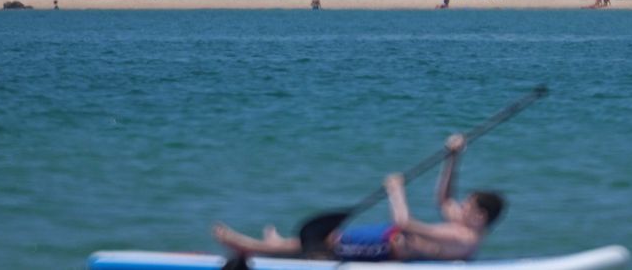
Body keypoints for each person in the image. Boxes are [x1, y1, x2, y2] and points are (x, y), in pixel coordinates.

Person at [214, 134, 503, 262]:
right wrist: (453, 158)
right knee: (331, 238)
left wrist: (396, 191)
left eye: (467, 206)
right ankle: (276, 246)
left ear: (479, 216)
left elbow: (404, 222)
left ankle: (254, 248)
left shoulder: (462, 237)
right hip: (385, 238)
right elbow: (443, 199)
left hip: (384, 249)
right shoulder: (466, 226)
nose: (459, 206)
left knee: (329, 243)